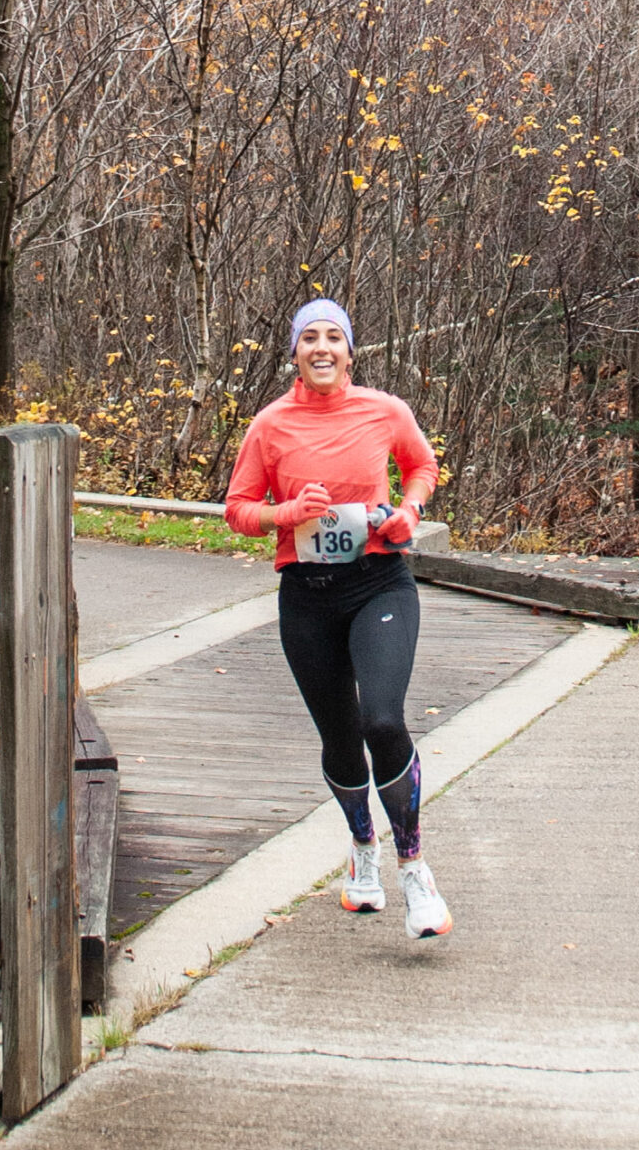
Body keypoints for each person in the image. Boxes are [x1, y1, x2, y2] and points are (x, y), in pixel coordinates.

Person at [224, 297, 451, 937]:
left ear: (351, 351)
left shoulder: (384, 410)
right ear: (294, 352)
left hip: (379, 583)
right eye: (309, 339)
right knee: (341, 737)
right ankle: (363, 852)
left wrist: (409, 509)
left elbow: (421, 466)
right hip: (307, 596)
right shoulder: (270, 425)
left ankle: (414, 867)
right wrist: (285, 513)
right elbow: (238, 508)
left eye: (334, 338)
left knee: (383, 719)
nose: (322, 348)